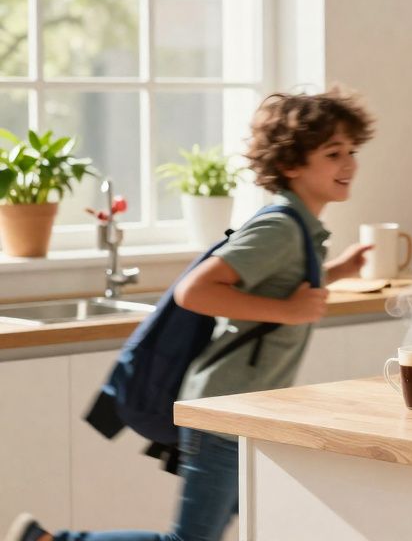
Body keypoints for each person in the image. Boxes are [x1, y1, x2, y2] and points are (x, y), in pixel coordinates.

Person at [8, 88, 377, 541]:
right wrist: (287, 310)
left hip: (245, 408)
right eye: (333, 153)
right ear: (290, 164)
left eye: (352, 151)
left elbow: (280, 284)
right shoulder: (281, 227)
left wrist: (338, 271)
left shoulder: (297, 225)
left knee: (277, 520)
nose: (349, 164)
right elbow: (193, 290)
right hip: (223, 408)